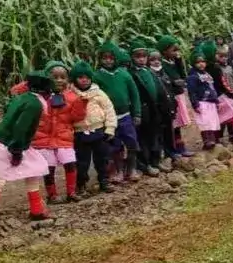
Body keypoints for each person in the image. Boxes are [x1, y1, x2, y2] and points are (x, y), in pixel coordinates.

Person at [0, 71, 54, 240]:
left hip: (7, 142)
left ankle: (37, 210)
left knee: (34, 170)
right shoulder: (35, 105)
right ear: (45, 91)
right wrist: (17, 150)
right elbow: (21, 127)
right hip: (9, 144)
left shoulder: (23, 98)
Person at [9, 61, 87, 204]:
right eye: (54, 77)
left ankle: (71, 192)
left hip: (64, 137)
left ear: (68, 80)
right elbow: (15, 91)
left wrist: (82, 103)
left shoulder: (72, 97)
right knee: (48, 167)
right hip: (43, 139)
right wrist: (31, 82)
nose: (59, 80)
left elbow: (78, 118)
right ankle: (52, 195)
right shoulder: (40, 94)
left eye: (62, 77)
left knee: (70, 163)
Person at [94, 41, 142, 183]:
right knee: (115, 145)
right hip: (109, 118)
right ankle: (119, 171)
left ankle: (132, 169)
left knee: (132, 142)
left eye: (111, 58)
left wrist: (137, 113)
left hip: (126, 115)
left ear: (116, 59)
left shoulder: (124, 75)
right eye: (105, 58)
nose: (108, 61)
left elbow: (134, 95)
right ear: (100, 59)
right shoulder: (96, 77)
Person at [71, 61, 118, 196]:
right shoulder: (71, 95)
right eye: (80, 77)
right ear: (74, 79)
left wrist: (110, 128)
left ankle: (104, 180)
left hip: (99, 131)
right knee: (81, 162)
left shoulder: (99, 93)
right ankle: (81, 185)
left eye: (87, 77)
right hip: (79, 134)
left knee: (102, 159)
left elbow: (109, 110)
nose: (84, 80)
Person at [129, 40, 167, 178]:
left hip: (154, 109)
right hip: (143, 110)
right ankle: (146, 164)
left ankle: (156, 162)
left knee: (155, 136)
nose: (141, 59)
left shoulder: (148, 71)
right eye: (137, 56)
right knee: (144, 138)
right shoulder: (132, 74)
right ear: (132, 58)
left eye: (144, 56)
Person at [158, 35, 194, 157]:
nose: (176, 53)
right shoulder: (162, 64)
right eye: (174, 50)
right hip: (171, 98)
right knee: (172, 125)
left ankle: (180, 148)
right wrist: (174, 82)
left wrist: (179, 61)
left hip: (179, 96)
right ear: (164, 51)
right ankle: (173, 150)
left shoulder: (173, 62)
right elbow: (165, 81)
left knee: (177, 125)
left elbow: (183, 75)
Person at [186, 49, 221, 150]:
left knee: (212, 121)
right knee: (204, 122)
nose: (201, 64)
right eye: (198, 62)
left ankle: (214, 139)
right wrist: (195, 104)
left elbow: (212, 87)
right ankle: (207, 141)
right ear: (193, 63)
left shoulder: (206, 74)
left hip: (211, 101)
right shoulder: (192, 76)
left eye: (203, 62)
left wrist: (216, 100)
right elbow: (191, 92)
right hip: (201, 102)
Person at [148, 49, 178, 161]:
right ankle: (159, 156)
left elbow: (170, 90)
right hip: (157, 109)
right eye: (153, 60)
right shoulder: (149, 74)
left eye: (158, 59)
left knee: (169, 132)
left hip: (168, 107)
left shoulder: (164, 72)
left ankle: (170, 153)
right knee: (158, 134)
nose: (156, 62)